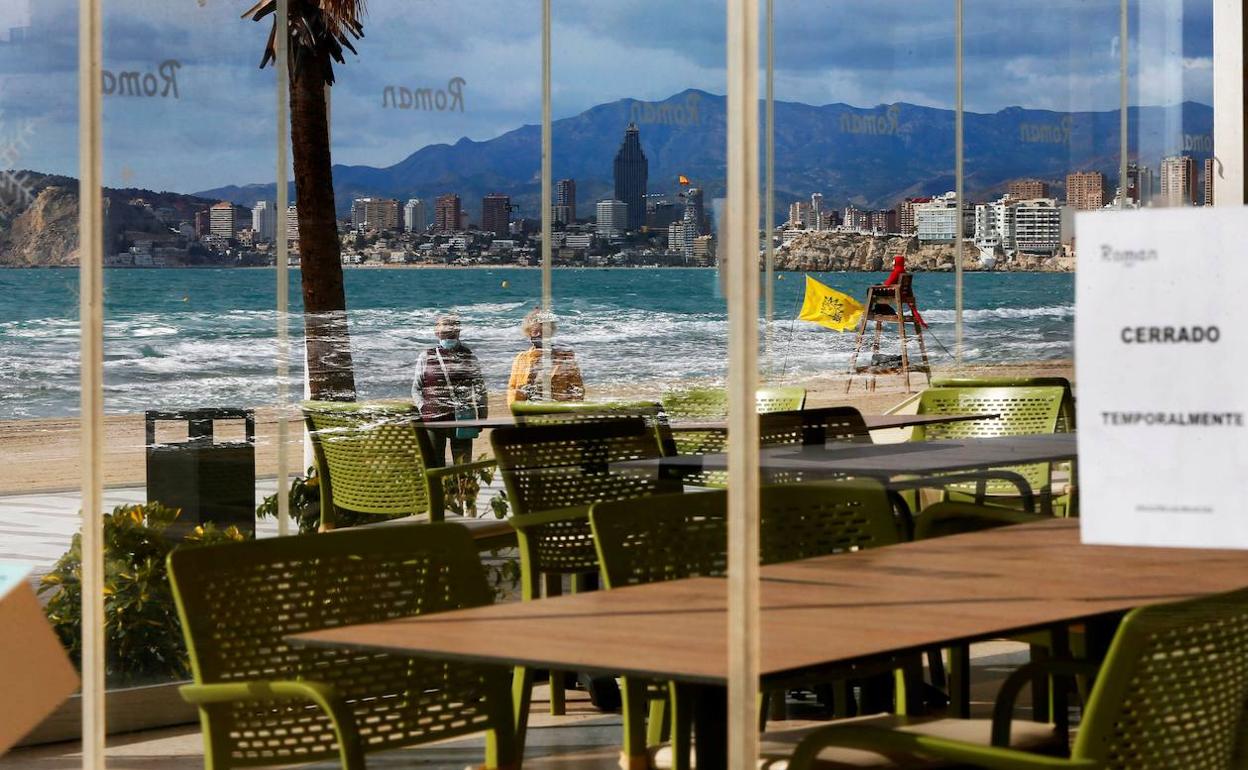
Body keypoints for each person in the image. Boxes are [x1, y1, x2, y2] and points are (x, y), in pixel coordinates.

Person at [411, 314, 488, 467]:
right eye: (445, 333)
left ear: (458, 333)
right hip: (433, 420)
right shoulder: (426, 356)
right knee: (435, 465)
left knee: (463, 467)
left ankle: (464, 492)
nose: (449, 336)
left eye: (452, 333)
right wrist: (423, 407)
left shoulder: (469, 357)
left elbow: (479, 389)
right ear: (437, 333)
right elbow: (416, 388)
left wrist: (481, 416)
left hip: (463, 419)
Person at [506, 307, 585, 404]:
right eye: (535, 332)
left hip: (556, 412)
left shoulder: (565, 358)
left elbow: (577, 389)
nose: (539, 335)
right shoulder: (521, 359)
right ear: (529, 333)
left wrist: (569, 410)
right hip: (527, 411)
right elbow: (512, 388)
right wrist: (514, 407)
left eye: (543, 332)